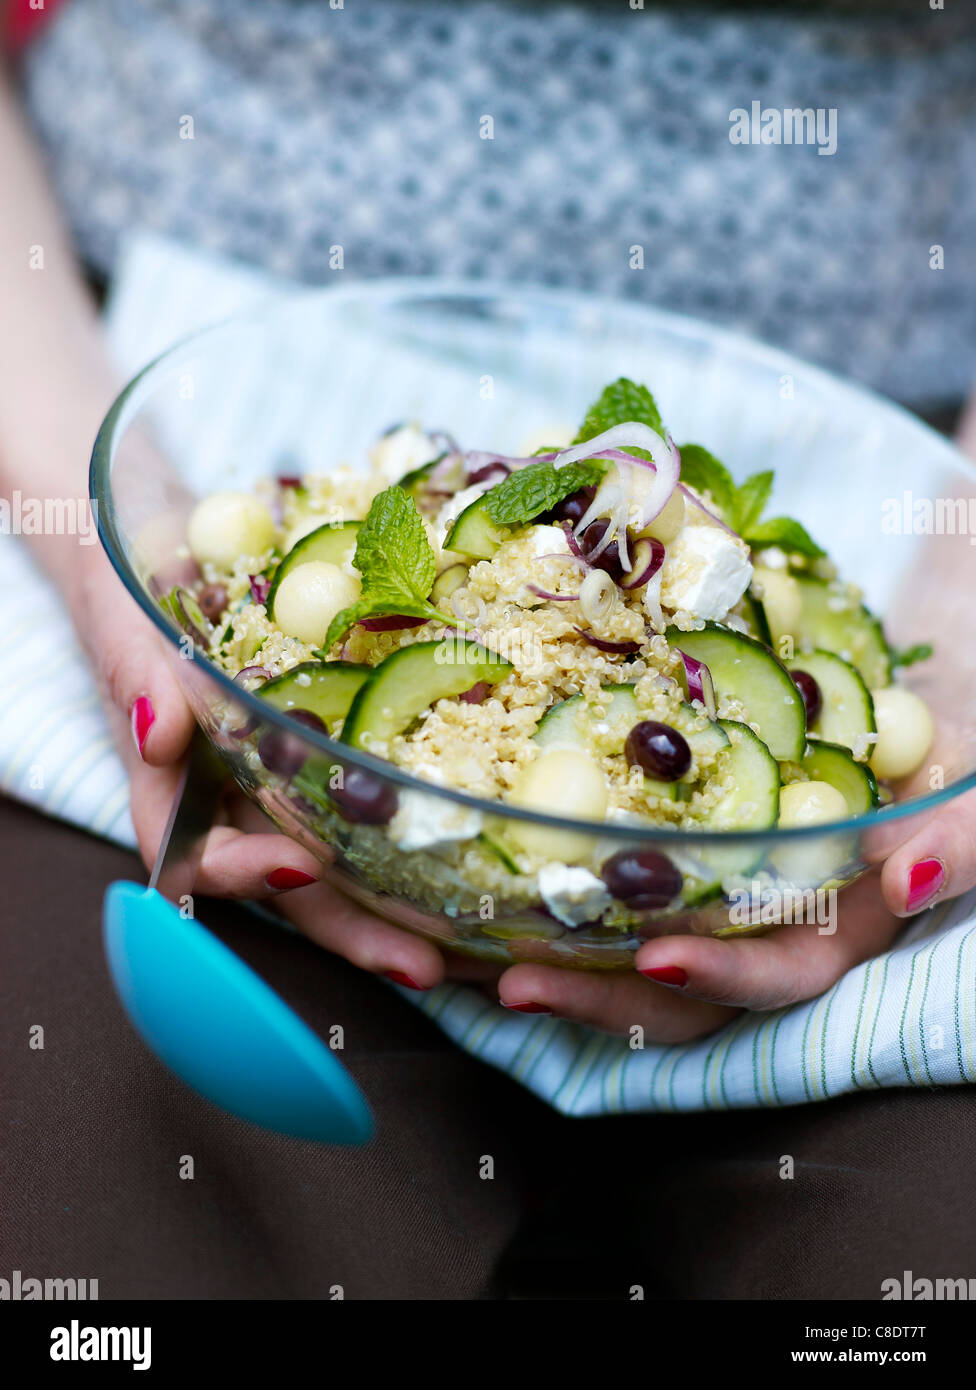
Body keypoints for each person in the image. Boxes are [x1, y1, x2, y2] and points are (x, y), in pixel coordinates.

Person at [2, 0, 976, 1298]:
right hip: (134, 402)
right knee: (114, 1241)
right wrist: (101, 519)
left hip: (905, 519)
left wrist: (961, 618)